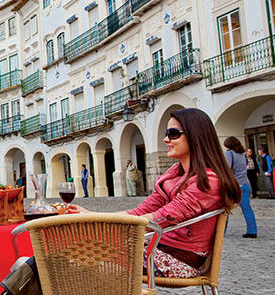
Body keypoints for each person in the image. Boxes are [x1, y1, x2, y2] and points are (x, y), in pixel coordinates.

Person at [68, 108, 241, 278]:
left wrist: (94, 222)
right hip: (157, 247)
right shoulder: (176, 175)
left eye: (173, 134)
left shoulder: (208, 182)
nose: (165, 139)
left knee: (83, 254)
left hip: (179, 259)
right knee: (73, 248)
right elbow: (140, 212)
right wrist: (91, 215)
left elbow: (161, 217)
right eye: (166, 133)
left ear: (195, 136)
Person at [223, 137, 257, 238]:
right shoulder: (243, 155)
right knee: (247, 209)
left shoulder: (229, 154)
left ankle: (221, 231)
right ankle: (252, 231)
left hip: (234, 185)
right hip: (245, 184)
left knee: (225, 209)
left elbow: (227, 168)